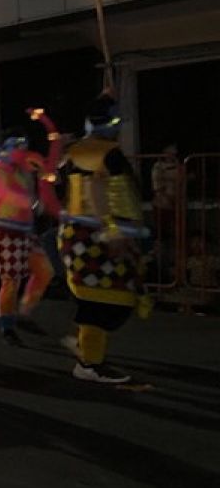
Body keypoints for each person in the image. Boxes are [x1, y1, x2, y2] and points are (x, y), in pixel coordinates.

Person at [59, 92, 150, 384]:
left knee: (113, 298)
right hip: (92, 235)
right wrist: (110, 228)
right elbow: (95, 187)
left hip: (96, 232)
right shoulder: (94, 151)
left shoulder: (90, 148)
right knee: (107, 300)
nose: (118, 124)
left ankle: (87, 349)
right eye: (115, 118)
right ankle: (89, 362)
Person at [0, 129, 55, 346]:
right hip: (3, 231)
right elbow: (8, 196)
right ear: (5, 148)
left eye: (24, 146)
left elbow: (47, 173)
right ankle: (7, 326)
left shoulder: (22, 171)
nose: (22, 151)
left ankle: (23, 313)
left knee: (45, 270)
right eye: (17, 146)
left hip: (23, 231)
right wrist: (34, 203)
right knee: (11, 280)